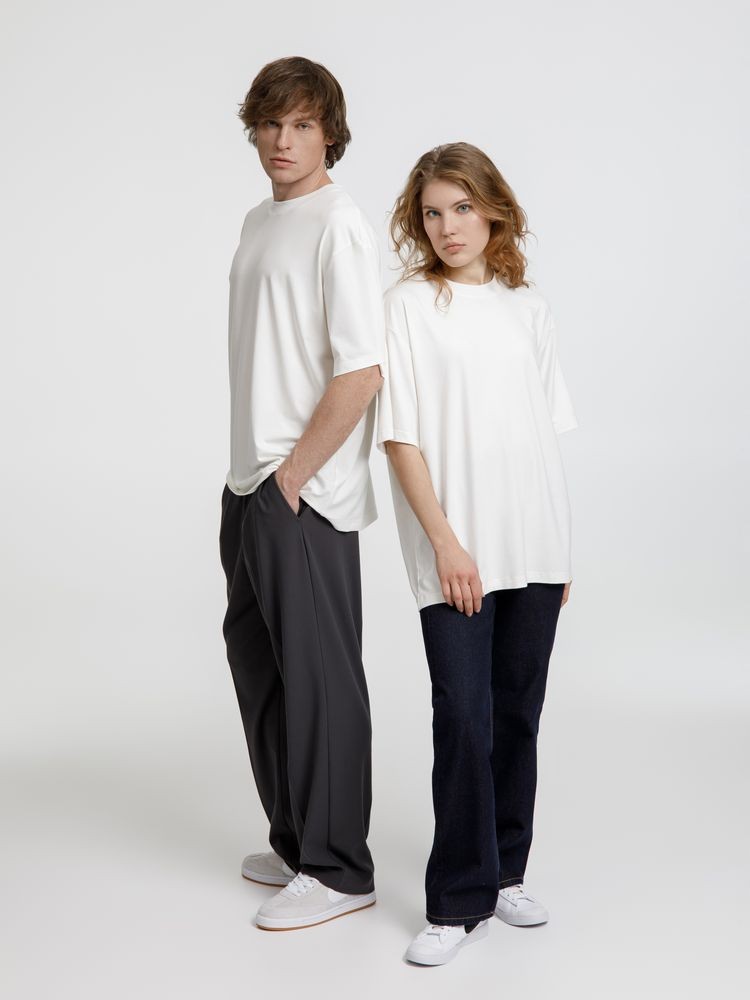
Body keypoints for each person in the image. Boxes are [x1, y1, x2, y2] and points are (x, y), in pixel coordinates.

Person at [376, 142, 578, 965]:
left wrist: (562, 550)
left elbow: (544, 437)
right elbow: (400, 439)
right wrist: (447, 544)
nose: (447, 226)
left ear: (493, 210)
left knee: (518, 712)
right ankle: (457, 900)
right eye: (431, 212)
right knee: (462, 715)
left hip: (536, 545)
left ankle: (506, 872)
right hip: (455, 550)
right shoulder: (406, 306)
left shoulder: (528, 308)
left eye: (461, 207)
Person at [219, 56, 385, 931]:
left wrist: (293, 476)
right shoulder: (261, 220)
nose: (283, 141)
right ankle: (295, 845)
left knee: (321, 679)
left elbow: (361, 370)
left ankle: (340, 866)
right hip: (249, 480)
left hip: (303, 491)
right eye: (271, 124)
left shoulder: (339, 224)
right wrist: (257, 479)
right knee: (261, 665)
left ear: (330, 135)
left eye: (303, 126)